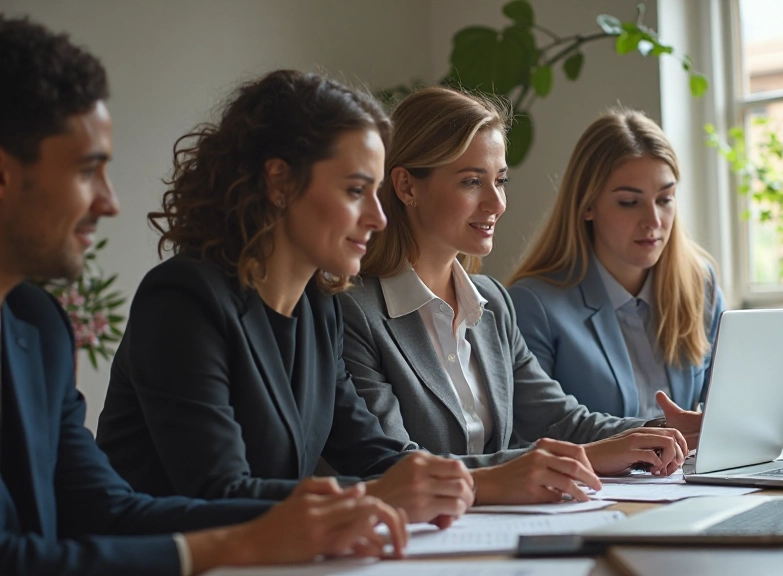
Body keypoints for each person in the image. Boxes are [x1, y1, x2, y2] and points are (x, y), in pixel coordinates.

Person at [0, 15, 406, 575]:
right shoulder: (183, 297)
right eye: (87, 171)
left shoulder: (36, 323)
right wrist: (239, 543)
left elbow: (102, 509)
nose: (110, 202)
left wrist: (330, 513)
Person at [95, 70, 474, 527]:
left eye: (376, 193)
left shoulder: (318, 307)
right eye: (356, 190)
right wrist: (380, 495)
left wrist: (504, 477)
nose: (378, 218)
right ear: (279, 182)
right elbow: (218, 493)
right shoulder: (182, 299)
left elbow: (376, 456)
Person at [340, 87, 704, 504]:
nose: (496, 202)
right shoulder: (354, 310)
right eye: (472, 181)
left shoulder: (491, 301)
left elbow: (560, 420)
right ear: (406, 186)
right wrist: (581, 458)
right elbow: (393, 468)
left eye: (500, 180)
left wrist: (663, 433)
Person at [507, 109, 725, 420]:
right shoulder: (534, 305)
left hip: (690, 469)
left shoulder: (700, 284)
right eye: (629, 202)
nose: (653, 221)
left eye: (665, 199)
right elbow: (534, 435)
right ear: (587, 206)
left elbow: (726, 415)